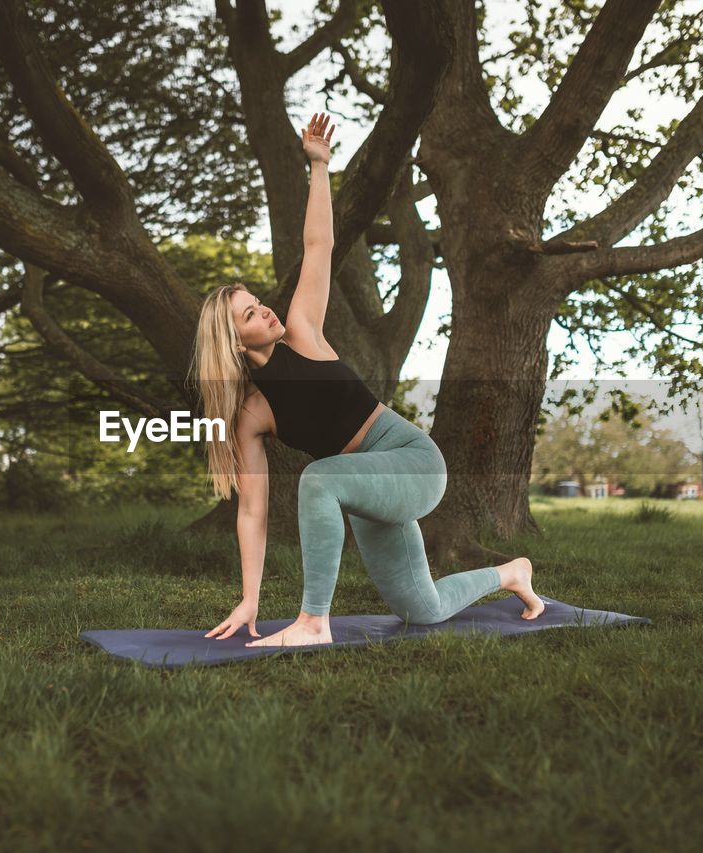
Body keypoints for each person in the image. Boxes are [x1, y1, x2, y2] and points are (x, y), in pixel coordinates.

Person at [188, 112, 544, 648]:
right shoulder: (251, 416)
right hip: (368, 484)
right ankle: (512, 573)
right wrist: (250, 598)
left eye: (258, 303)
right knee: (422, 609)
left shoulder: (302, 331)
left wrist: (319, 167)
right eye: (249, 315)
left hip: (412, 462)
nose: (264, 311)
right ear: (236, 345)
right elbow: (253, 511)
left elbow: (318, 247)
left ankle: (313, 622)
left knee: (318, 478)